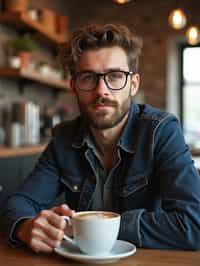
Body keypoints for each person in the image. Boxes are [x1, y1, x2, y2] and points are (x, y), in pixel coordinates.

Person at [1, 24, 200, 252]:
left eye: (115, 76)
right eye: (88, 77)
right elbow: (18, 203)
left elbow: (194, 225)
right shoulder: (64, 138)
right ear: (73, 86)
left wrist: (83, 228)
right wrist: (26, 227)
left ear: (133, 85)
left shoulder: (161, 131)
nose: (101, 90)